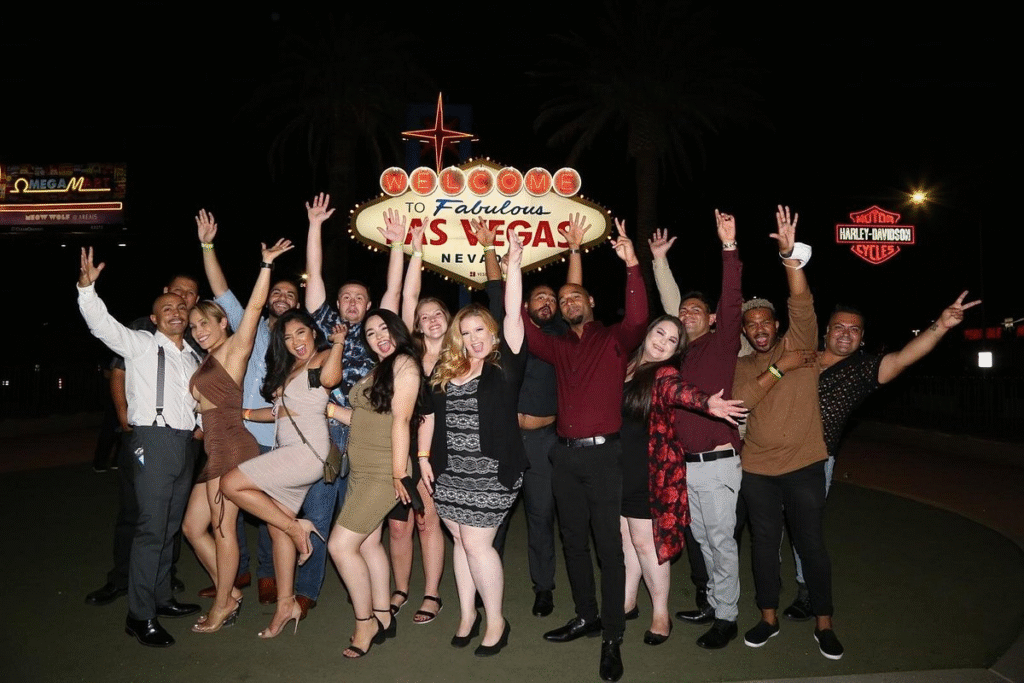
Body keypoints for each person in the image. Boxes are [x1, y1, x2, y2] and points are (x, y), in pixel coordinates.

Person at [781, 292, 980, 620]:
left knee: (805, 530)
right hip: (771, 457)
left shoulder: (862, 370)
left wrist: (940, 326)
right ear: (826, 331)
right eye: (839, 327)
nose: (845, 333)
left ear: (861, 339)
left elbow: (903, 358)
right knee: (767, 527)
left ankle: (807, 591)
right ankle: (766, 587)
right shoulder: (799, 360)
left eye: (854, 330)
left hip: (815, 462)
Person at [526, 218, 647, 683]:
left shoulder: (614, 338)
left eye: (577, 296)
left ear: (591, 303)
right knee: (572, 541)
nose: (569, 302)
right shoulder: (556, 348)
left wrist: (631, 263)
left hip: (603, 457)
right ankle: (586, 615)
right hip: (564, 456)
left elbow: (638, 317)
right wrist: (512, 267)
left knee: (608, 549)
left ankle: (612, 636)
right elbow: (522, 329)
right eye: (563, 299)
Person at [731, 206, 842, 659]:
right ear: (745, 331)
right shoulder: (739, 366)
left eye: (765, 323)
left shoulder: (799, 342)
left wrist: (789, 258)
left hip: (803, 464)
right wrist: (778, 369)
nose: (758, 328)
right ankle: (767, 617)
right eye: (750, 324)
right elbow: (745, 401)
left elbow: (802, 303)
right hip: (757, 468)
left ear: (776, 326)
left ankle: (825, 623)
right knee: (763, 547)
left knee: (810, 545)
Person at [77, 248, 203, 647]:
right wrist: (86, 288)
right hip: (153, 440)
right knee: (150, 528)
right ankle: (139, 614)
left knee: (168, 528)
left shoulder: (193, 356)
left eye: (181, 308)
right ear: (154, 317)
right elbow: (101, 325)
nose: (176, 312)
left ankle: (162, 597)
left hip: (185, 446)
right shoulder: (142, 344)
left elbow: (196, 399)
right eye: (167, 307)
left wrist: (199, 426)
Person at [475, 213, 586, 618]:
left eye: (551, 299)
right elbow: (494, 291)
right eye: (538, 297)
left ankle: (544, 588)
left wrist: (574, 248)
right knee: (495, 518)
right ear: (524, 304)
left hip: (544, 442)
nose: (546, 302)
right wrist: (489, 247)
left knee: (541, 516)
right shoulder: (510, 330)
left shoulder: (563, 336)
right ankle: (485, 586)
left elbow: (577, 292)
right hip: (504, 438)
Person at [181, 238, 293, 633]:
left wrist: (265, 266)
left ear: (223, 323)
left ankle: (222, 606)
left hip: (232, 443)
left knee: (224, 528)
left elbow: (256, 309)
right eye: (193, 327)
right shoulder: (207, 358)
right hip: (214, 447)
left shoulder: (234, 350)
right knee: (193, 528)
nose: (198, 331)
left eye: (204, 324)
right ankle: (230, 591)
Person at [650, 210, 746, 649]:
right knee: (703, 542)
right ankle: (713, 602)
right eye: (682, 309)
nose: (687, 314)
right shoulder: (674, 360)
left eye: (696, 310)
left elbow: (731, 302)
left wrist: (729, 248)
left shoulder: (722, 343)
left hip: (718, 464)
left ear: (710, 320)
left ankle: (727, 617)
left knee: (721, 543)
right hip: (686, 467)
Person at [429, 230, 527, 657]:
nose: (474, 337)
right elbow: (432, 420)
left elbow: (511, 312)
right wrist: (422, 459)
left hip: (493, 471)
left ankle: (497, 620)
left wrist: (514, 263)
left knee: (477, 544)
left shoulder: (505, 365)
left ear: (492, 332)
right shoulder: (448, 371)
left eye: (480, 329)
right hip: (450, 472)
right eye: (466, 332)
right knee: (460, 543)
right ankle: (467, 613)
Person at [619, 315, 746, 646]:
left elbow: (679, 391)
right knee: (626, 540)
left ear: (677, 350)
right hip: (619, 470)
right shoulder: (627, 366)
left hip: (650, 471)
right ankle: (628, 602)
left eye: (672, 340)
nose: (662, 341)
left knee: (648, 544)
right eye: (659, 332)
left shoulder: (663, 374)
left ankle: (661, 615)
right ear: (647, 333)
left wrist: (707, 403)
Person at [219, 309, 344, 638]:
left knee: (231, 483)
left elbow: (331, 379)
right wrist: (242, 412)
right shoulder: (291, 370)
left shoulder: (323, 358)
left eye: (300, 333)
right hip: (289, 452)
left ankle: (296, 527)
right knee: (276, 531)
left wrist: (340, 343)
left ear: (313, 333)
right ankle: (285, 604)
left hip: (306, 453)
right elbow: (278, 414)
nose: (295, 342)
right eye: (288, 338)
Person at [302, 193, 382, 620]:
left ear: (369, 306)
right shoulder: (326, 324)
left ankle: (365, 591)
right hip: (329, 429)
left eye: (359, 299)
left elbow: (400, 292)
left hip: (368, 434)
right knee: (318, 508)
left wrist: (402, 246)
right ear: (338, 301)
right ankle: (307, 591)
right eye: (346, 297)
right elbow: (313, 273)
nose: (351, 303)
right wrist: (315, 224)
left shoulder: (377, 334)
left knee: (362, 520)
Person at [326, 308, 422, 658]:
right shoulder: (380, 368)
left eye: (384, 328)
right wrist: (330, 410)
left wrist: (399, 474)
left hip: (384, 471)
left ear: (397, 330)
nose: (378, 336)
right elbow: (367, 417)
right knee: (367, 545)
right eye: (369, 333)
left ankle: (364, 621)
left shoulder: (405, 365)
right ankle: (384, 615)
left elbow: (402, 420)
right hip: (362, 470)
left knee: (340, 546)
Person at [385, 213, 448, 623]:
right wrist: (416, 248)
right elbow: (407, 299)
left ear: (448, 318)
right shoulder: (407, 353)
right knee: (398, 527)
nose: (428, 320)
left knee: (428, 522)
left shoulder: (462, 356)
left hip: (440, 452)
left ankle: (431, 593)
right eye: (423, 317)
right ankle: (401, 588)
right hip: (403, 447)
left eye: (435, 314)